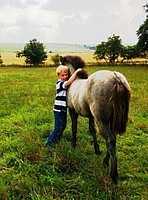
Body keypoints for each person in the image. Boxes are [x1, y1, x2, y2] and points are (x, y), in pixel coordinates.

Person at [45, 65, 82, 147]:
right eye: (63, 75)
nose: (65, 77)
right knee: (58, 127)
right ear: (58, 76)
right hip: (58, 110)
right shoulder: (60, 83)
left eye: (66, 75)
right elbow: (68, 82)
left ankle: (57, 140)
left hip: (63, 109)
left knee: (63, 126)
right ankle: (49, 143)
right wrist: (76, 72)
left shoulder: (63, 82)